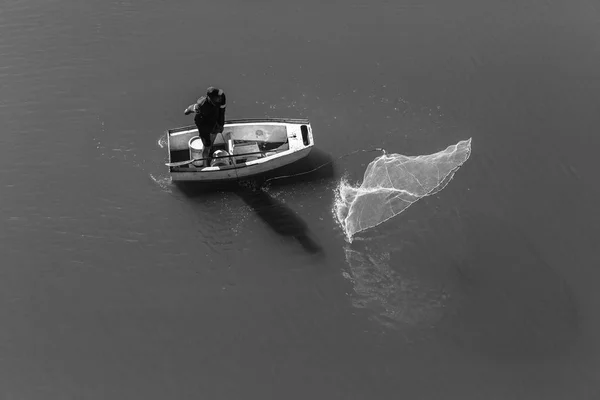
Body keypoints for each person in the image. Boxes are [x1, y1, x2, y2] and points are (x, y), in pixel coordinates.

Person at [184, 86, 227, 165]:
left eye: (220, 97)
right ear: (211, 98)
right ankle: (205, 164)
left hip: (215, 120)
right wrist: (187, 111)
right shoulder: (202, 105)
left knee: (214, 135)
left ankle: (210, 148)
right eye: (217, 98)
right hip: (204, 125)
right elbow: (191, 108)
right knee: (206, 145)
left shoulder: (222, 97)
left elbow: (222, 111)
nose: (220, 99)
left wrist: (221, 124)